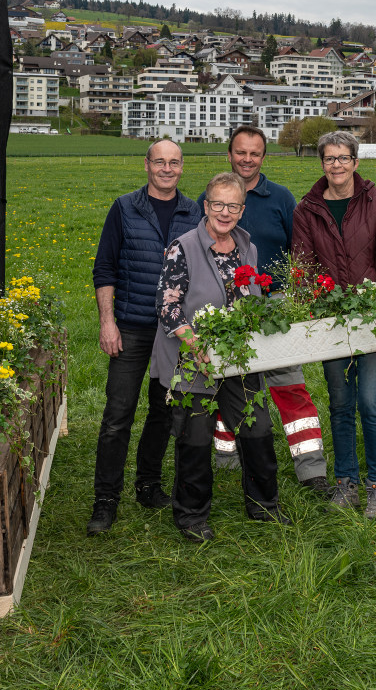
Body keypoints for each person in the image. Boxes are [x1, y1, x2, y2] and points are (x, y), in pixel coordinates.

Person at [152, 171, 289, 542]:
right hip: (194, 360)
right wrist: (194, 344)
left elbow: (251, 301)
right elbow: (167, 306)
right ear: (206, 206)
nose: (225, 212)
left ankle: (265, 506)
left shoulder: (248, 248)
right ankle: (192, 516)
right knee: (195, 438)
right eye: (218, 204)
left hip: (238, 360)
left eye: (233, 205)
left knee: (257, 429)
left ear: (242, 210)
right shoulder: (183, 247)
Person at [203, 125, 329, 494]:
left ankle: (311, 468)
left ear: (263, 156)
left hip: (273, 308)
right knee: (229, 381)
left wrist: (300, 296)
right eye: (240, 152)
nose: (246, 159)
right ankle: (228, 461)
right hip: (226, 305)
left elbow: (301, 251)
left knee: (288, 384)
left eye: (254, 153)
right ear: (229, 154)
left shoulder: (281, 198)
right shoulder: (211, 198)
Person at [291, 130, 376, 521]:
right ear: (321, 164)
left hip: (374, 316)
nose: (337, 165)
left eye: (344, 158)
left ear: (356, 163)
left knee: (371, 401)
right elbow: (303, 267)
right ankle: (345, 482)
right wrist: (312, 310)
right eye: (329, 159)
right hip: (330, 321)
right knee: (340, 403)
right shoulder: (307, 209)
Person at [87, 137, 201, 535]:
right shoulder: (124, 208)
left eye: (174, 162)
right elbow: (105, 269)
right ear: (147, 165)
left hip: (174, 334)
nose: (166, 169)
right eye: (159, 162)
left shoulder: (195, 211)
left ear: (182, 167)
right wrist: (107, 322)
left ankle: (148, 484)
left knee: (163, 413)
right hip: (131, 328)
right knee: (118, 416)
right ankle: (105, 499)